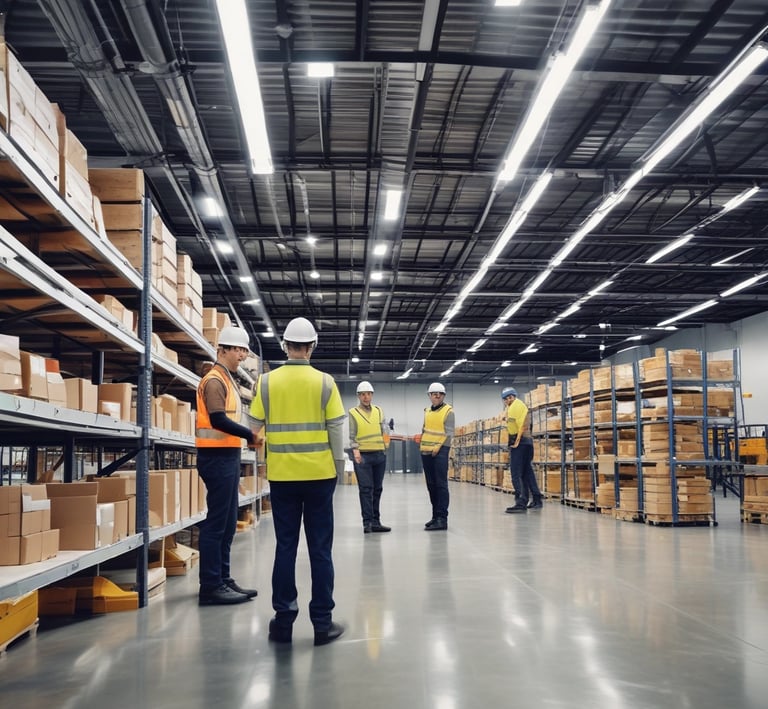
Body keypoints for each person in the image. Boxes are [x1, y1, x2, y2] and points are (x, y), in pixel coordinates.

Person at [250, 317, 346, 646]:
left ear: (285, 346)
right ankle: (322, 623)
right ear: (312, 346)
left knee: (285, 548)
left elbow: (254, 428)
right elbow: (336, 428)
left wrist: (265, 462)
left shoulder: (265, 383)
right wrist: (337, 468)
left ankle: (283, 623)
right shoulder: (325, 383)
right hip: (320, 476)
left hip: (282, 478)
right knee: (320, 550)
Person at [195, 326, 260, 606]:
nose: (243, 355)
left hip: (228, 455)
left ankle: (223, 577)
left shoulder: (228, 378)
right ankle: (210, 586)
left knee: (228, 523)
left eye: (245, 350)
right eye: (239, 349)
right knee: (217, 524)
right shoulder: (214, 380)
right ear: (223, 349)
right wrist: (250, 435)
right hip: (216, 457)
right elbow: (218, 419)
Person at [349, 381, 391, 534]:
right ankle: (367, 523)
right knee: (366, 489)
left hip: (379, 454)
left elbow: (385, 429)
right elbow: (352, 435)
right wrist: (356, 452)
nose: (366, 397)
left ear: (372, 395)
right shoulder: (353, 412)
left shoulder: (379, 410)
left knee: (377, 489)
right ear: (359, 396)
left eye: (368, 394)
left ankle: (376, 522)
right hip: (363, 456)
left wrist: (386, 445)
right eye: (362, 394)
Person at [419, 382, 454, 531]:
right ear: (429, 396)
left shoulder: (448, 411)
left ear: (443, 396)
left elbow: (449, 433)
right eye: (434, 394)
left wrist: (437, 448)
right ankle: (435, 516)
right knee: (431, 485)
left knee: (441, 485)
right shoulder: (427, 411)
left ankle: (442, 518)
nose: (437, 396)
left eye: (440, 394)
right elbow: (424, 430)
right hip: (426, 451)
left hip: (440, 451)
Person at [503, 386, 542, 513]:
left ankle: (521, 501)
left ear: (514, 396)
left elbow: (522, 427)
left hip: (520, 443)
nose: (508, 400)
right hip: (527, 443)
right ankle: (537, 499)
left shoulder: (516, 406)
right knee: (527, 472)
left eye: (510, 397)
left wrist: (516, 442)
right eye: (505, 398)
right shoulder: (515, 407)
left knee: (516, 473)